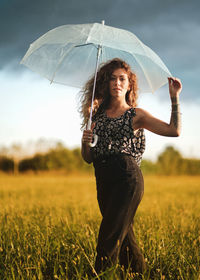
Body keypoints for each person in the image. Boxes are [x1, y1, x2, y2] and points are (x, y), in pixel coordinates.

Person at [80, 58, 182, 275]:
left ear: (129, 85)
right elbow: (88, 158)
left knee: (108, 238)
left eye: (122, 79)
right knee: (124, 239)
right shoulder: (95, 117)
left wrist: (174, 99)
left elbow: (174, 130)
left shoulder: (135, 114)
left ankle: (99, 276)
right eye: (112, 79)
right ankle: (139, 275)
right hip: (103, 178)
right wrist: (84, 141)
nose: (117, 83)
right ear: (106, 84)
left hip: (127, 177)